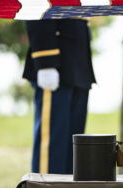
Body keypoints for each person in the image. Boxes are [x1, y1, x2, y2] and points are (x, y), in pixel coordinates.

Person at [22, 19, 96, 174]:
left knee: (72, 148)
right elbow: (38, 8)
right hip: (56, 61)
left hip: (77, 62)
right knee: (52, 147)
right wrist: (45, 61)